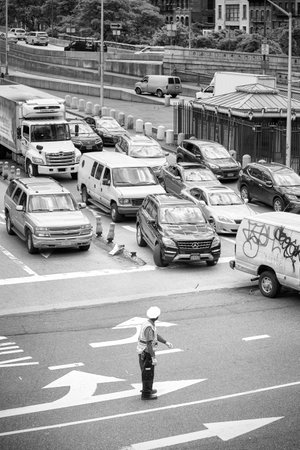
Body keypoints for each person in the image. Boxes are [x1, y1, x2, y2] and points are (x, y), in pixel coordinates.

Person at [137, 306, 173, 400]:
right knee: (147, 373)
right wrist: (153, 357)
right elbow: (149, 343)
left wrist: (165, 342)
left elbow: (155, 336)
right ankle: (146, 394)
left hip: (144, 351)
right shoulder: (149, 327)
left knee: (147, 372)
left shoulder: (147, 323)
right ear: (157, 317)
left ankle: (149, 389)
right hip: (147, 352)